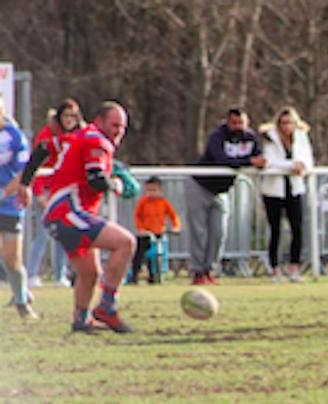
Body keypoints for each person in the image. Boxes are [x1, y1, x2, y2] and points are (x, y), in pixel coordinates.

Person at [16, 101, 136, 333]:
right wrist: (116, 184)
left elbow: (42, 149)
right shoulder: (96, 141)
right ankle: (106, 308)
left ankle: (81, 320)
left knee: (89, 272)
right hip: (69, 213)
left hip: (60, 215)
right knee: (126, 243)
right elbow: (96, 179)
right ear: (99, 121)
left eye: (122, 127)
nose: (118, 131)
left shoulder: (79, 135)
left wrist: (24, 183)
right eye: (114, 125)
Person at [187, 108, 265, 285]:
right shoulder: (217, 136)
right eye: (234, 123)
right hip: (200, 185)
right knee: (199, 232)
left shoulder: (250, 138)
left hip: (221, 191)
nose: (238, 127)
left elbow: (259, 158)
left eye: (242, 123)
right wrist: (249, 162)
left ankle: (210, 270)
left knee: (219, 232)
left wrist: (259, 161)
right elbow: (222, 160)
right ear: (228, 122)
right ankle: (198, 272)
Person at [26, 99, 84, 288]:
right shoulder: (48, 136)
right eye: (65, 115)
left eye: (73, 116)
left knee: (63, 233)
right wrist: (39, 193)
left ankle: (61, 274)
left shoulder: (80, 135)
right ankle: (32, 274)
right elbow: (36, 165)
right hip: (45, 190)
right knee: (43, 233)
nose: (69, 120)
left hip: (65, 192)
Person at [258, 106, 314, 283]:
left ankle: (294, 268)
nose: (286, 126)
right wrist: (291, 166)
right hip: (273, 190)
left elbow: (307, 160)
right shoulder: (269, 139)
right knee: (275, 230)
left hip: (295, 188)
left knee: (297, 228)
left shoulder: (301, 137)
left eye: (290, 122)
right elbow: (268, 162)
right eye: (283, 123)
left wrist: (302, 168)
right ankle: (275, 269)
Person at [0, 96, 38, 319]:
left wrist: (4, 193)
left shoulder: (14, 136)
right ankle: (21, 295)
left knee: (12, 258)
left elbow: (24, 172)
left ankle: (22, 299)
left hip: (10, 204)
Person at [129, 176, 181, 284]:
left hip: (159, 233)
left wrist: (175, 227)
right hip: (145, 234)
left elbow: (173, 216)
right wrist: (140, 228)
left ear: (160, 190)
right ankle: (134, 276)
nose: (151, 193)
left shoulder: (164, 203)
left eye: (154, 190)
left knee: (157, 255)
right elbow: (137, 216)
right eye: (148, 190)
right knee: (139, 255)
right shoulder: (143, 202)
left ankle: (155, 276)